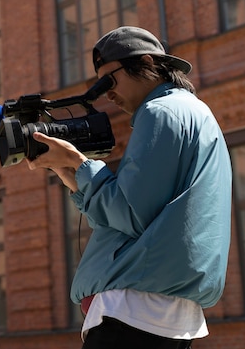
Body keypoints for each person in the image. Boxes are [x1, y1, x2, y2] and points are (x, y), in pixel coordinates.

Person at [28, 26, 232, 349]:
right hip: (172, 316)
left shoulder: (159, 112)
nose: (107, 94)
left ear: (148, 63)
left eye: (110, 80)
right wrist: (74, 179)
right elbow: (142, 219)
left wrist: (81, 163)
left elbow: (130, 213)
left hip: (131, 312)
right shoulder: (196, 113)